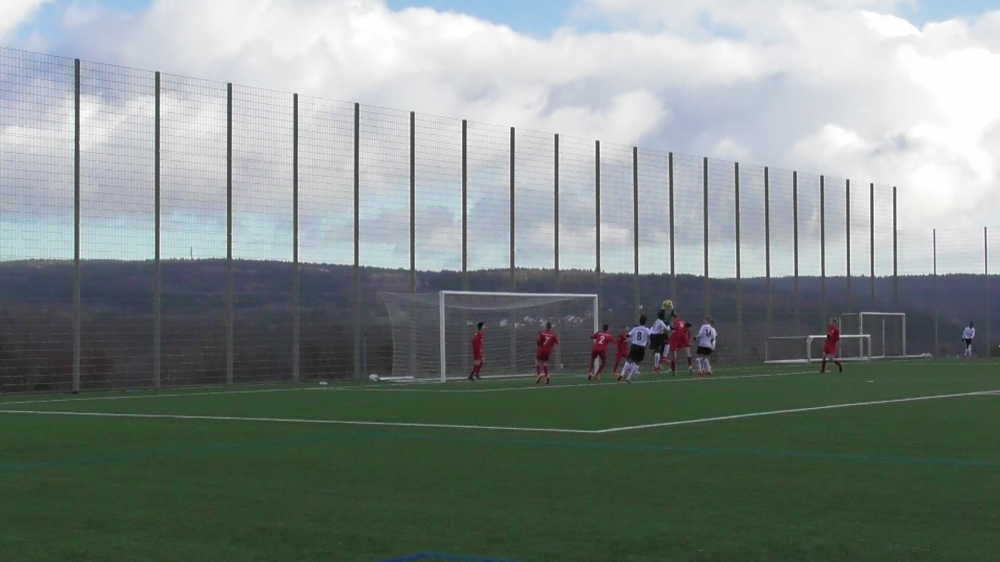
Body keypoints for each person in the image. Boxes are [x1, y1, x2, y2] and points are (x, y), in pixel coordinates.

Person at [619, 315, 651, 384]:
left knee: (628, 360)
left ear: (639, 321)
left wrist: (623, 339)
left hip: (634, 346)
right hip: (641, 347)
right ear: (645, 322)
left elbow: (627, 335)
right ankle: (629, 377)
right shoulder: (646, 329)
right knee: (637, 363)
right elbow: (651, 335)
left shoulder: (635, 329)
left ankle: (622, 373)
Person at [649, 309, 670, 374]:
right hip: (656, 336)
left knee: (658, 350)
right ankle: (664, 357)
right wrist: (668, 327)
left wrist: (663, 308)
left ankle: (656, 367)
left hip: (652, 336)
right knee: (666, 343)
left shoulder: (657, 320)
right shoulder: (661, 322)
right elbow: (667, 329)